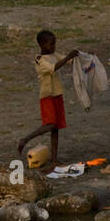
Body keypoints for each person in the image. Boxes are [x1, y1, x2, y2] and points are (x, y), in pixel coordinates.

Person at [16, 30, 79, 165]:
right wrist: (68, 57)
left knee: (55, 128)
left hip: (57, 94)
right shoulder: (39, 60)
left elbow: (68, 60)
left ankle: (54, 159)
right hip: (47, 96)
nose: (53, 47)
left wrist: (82, 56)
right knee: (50, 125)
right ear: (42, 45)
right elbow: (54, 67)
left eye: (54, 44)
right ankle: (25, 139)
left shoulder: (53, 54)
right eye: (51, 44)